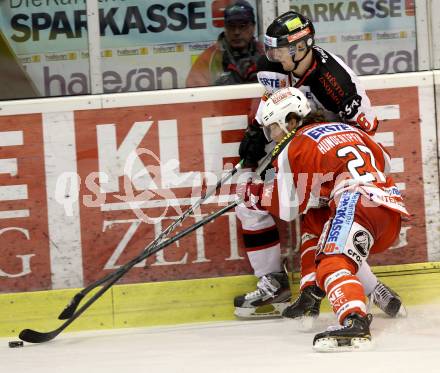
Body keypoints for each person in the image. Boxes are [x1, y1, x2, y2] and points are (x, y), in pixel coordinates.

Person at [234, 11, 404, 320]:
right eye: (270, 49)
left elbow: (364, 131)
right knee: (260, 207)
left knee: (324, 219)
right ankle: (277, 282)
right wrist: (256, 132)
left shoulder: (336, 81)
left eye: (279, 49)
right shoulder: (272, 67)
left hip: (325, 158)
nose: (272, 56)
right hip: (294, 146)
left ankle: (366, 288)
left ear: (300, 47)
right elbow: (271, 105)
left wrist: (331, 170)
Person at [239, 87, 409, 350]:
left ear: (292, 121)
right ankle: (314, 292)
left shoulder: (291, 147)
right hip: (389, 207)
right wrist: (329, 189)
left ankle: (355, 321)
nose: (271, 136)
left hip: (356, 204)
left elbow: (286, 209)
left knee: (332, 262)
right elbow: (385, 163)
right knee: (317, 219)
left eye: (273, 128)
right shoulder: (347, 128)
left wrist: (255, 194)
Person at [186, 0, 264, 88]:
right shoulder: (209, 58)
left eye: (242, 26)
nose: (236, 32)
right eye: (231, 26)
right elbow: (194, 94)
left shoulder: (265, 54)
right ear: (225, 28)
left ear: (253, 27)